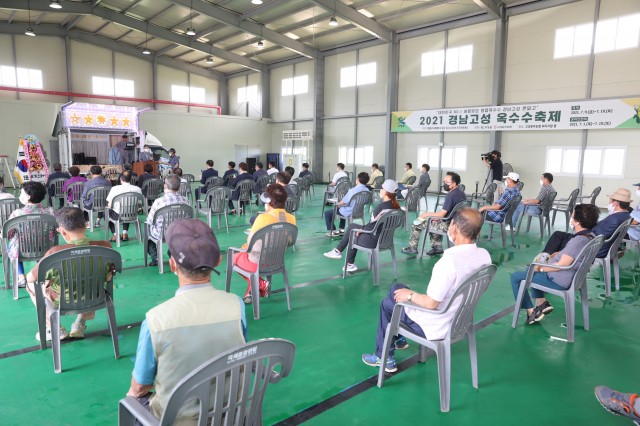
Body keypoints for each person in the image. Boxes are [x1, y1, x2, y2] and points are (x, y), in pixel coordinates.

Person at [126, 219, 247, 423]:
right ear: (217, 261)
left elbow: (141, 386)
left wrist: (133, 393)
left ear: (172, 264)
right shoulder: (237, 306)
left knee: (131, 400)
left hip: (179, 420)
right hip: (228, 417)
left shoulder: (155, 320)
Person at [361, 207, 490, 372]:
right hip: (461, 320)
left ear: (455, 229)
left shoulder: (449, 262)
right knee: (397, 288)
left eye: (450, 224)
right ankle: (398, 338)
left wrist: (410, 295)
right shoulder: (484, 256)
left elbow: (430, 304)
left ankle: (384, 357)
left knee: (388, 304)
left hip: (437, 324)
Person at [25, 207, 113, 341]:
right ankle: (80, 323)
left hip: (62, 301)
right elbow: (108, 277)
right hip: (95, 296)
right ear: (85, 224)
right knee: (90, 281)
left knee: (30, 285)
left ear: (62, 231)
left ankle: (53, 328)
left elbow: (31, 278)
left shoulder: (55, 253)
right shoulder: (105, 247)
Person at [510, 203, 600, 324]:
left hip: (559, 280)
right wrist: (557, 254)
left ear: (577, 222)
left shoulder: (578, 241)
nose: (571, 218)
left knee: (517, 277)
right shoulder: (590, 236)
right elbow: (571, 255)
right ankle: (542, 304)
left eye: (572, 216)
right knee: (530, 270)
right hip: (572, 277)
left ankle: (532, 311)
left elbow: (562, 265)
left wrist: (540, 268)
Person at [233, 184, 296, 304]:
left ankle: (260, 283)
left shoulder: (262, 218)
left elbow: (249, 243)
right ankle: (253, 289)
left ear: (269, 202)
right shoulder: (291, 218)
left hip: (257, 263)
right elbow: (290, 242)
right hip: (277, 262)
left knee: (233, 257)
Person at [324, 179, 399, 272]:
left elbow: (372, 226)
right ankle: (338, 252)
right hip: (385, 240)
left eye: (382, 188)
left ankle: (347, 261)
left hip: (373, 240)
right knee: (353, 226)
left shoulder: (381, 207)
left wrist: (361, 230)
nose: (380, 190)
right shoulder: (395, 207)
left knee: (352, 232)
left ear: (386, 192)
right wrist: (362, 229)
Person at [542, 188, 632, 258]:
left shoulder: (614, 219)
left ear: (616, 203)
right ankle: (554, 259)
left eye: (610, 200)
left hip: (590, 246)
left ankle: (543, 260)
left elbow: (595, 235)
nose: (609, 202)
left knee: (557, 236)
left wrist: (580, 226)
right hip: (598, 244)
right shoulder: (625, 215)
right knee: (559, 235)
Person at [402, 172, 466, 256]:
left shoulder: (451, 195)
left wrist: (426, 214)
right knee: (433, 220)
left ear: (454, 183)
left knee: (417, 224)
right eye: (444, 182)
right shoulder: (461, 193)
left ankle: (412, 248)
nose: (444, 184)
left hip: (447, 225)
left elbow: (442, 214)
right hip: (456, 223)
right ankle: (437, 247)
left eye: (447, 182)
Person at [7, 182, 56, 288]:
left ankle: (21, 278)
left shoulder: (17, 214)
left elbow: (9, 234)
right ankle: (43, 274)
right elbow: (56, 229)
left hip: (22, 251)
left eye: (21, 193)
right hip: (46, 248)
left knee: (12, 245)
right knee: (41, 242)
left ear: (28, 197)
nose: (20, 196)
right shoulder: (50, 212)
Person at [145, 174, 190, 267]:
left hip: (162, 233)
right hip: (180, 232)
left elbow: (150, 220)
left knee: (147, 230)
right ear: (179, 186)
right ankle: (173, 254)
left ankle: (156, 258)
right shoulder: (186, 201)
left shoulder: (159, 201)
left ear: (165, 186)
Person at [324, 172, 370, 237]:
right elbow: (367, 202)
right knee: (342, 208)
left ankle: (333, 231)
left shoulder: (353, 190)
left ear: (358, 179)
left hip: (348, 212)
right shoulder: (367, 191)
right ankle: (341, 229)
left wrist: (337, 204)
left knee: (328, 213)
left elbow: (343, 202)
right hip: (359, 212)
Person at [105, 170, 142, 242]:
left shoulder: (115, 188)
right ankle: (125, 233)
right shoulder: (137, 189)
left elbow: (109, 204)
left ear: (121, 179)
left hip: (118, 215)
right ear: (130, 179)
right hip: (132, 214)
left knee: (106, 213)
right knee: (127, 209)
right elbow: (140, 204)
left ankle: (116, 235)